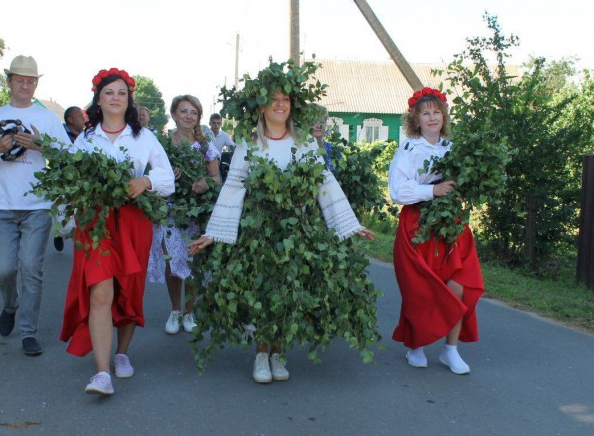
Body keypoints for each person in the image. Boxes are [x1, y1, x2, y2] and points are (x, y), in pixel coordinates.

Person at [189, 89, 375, 384]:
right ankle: (261, 353)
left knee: (288, 289)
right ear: (261, 107)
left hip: (297, 229)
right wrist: (214, 233)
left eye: (285, 100)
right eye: (272, 99)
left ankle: (279, 353)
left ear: (291, 106)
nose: (279, 104)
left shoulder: (304, 143)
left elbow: (323, 180)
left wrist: (348, 225)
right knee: (263, 290)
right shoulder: (249, 143)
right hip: (258, 229)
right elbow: (234, 186)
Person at [59, 68, 174, 396]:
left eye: (121, 93)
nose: (115, 98)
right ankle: (101, 373)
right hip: (95, 222)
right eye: (109, 92)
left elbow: (167, 178)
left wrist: (146, 181)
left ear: (129, 100)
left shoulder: (143, 137)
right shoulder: (86, 137)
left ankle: (122, 353)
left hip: (133, 221)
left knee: (129, 289)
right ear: (98, 98)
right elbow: (68, 177)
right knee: (100, 291)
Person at [0, 55, 72, 357]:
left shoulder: (48, 118)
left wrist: (42, 146)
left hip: (37, 206)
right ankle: (10, 304)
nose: (26, 85)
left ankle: (28, 331)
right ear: (10, 81)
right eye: (20, 80)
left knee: (31, 268)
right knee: (4, 269)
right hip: (1, 206)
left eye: (31, 80)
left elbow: (69, 156)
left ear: (36, 84)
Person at [388, 87, 484, 375]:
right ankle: (415, 345)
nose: (432, 117)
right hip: (417, 225)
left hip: (451, 225)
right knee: (421, 289)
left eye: (437, 112)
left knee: (459, 285)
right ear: (416, 120)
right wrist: (433, 190)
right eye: (425, 113)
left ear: (444, 117)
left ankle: (450, 349)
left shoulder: (453, 150)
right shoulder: (408, 149)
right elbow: (397, 190)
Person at [147, 95, 221, 335]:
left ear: (199, 117)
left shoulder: (204, 144)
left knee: (192, 262)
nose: (189, 116)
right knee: (172, 263)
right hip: (170, 211)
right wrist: (168, 175)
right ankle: (175, 309)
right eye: (184, 111)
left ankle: (189, 312)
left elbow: (216, 178)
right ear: (174, 114)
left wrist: (204, 181)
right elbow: (152, 174)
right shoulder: (163, 143)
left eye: (194, 112)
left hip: (196, 212)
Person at [53, 106, 88, 252]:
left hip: (79, 177)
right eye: (80, 116)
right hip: (62, 176)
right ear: (70, 119)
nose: (84, 119)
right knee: (61, 207)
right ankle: (58, 234)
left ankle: (78, 235)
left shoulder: (85, 135)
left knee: (80, 208)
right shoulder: (59, 133)